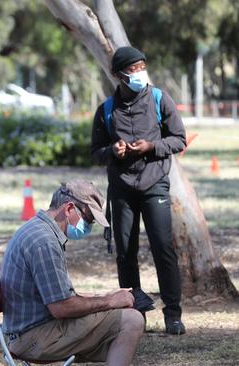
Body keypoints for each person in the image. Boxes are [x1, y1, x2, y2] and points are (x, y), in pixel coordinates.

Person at [91, 46, 187, 335]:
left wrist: (152, 147)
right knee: (125, 253)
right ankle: (135, 313)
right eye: (132, 70)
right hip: (122, 189)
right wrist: (113, 150)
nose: (138, 73)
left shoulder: (159, 99)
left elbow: (179, 140)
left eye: (142, 66)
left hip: (154, 183)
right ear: (118, 75)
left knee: (162, 248)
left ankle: (173, 314)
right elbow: (96, 152)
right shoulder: (106, 110)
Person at [0, 180, 144, 365]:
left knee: (117, 319)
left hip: (28, 331)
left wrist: (105, 298)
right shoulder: (45, 242)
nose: (89, 226)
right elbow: (61, 308)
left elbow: (59, 297)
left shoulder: (38, 229)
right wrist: (109, 301)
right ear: (69, 209)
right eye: (89, 219)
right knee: (132, 320)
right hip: (35, 337)